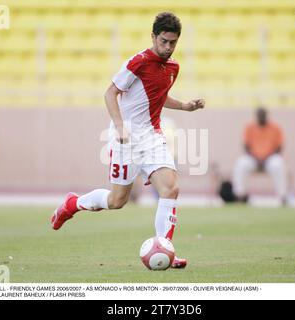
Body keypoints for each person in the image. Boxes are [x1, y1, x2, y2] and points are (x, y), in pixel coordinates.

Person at [50, 12, 205, 269]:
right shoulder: (138, 62)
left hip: (152, 136)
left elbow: (159, 96)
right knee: (117, 201)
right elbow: (110, 93)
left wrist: (186, 106)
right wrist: (120, 127)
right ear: (153, 36)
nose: (168, 47)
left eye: (173, 43)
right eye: (164, 41)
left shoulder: (173, 67)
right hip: (126, 137)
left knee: (171, 189)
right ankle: (72, 203)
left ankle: (165, 248)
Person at [232, 107, 288, 205]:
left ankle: (282, 196)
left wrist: (265, 158)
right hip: (253, 159)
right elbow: (246, 146)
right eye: (259, 115)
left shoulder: (275, 128)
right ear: (256, 116)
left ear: (266, 116)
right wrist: (256, 158)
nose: (261, 117)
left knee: (279, 164)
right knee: (240, 164)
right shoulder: (249, 127)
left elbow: (279, 148)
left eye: (263, 115)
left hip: (270, 159)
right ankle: (240, 195)